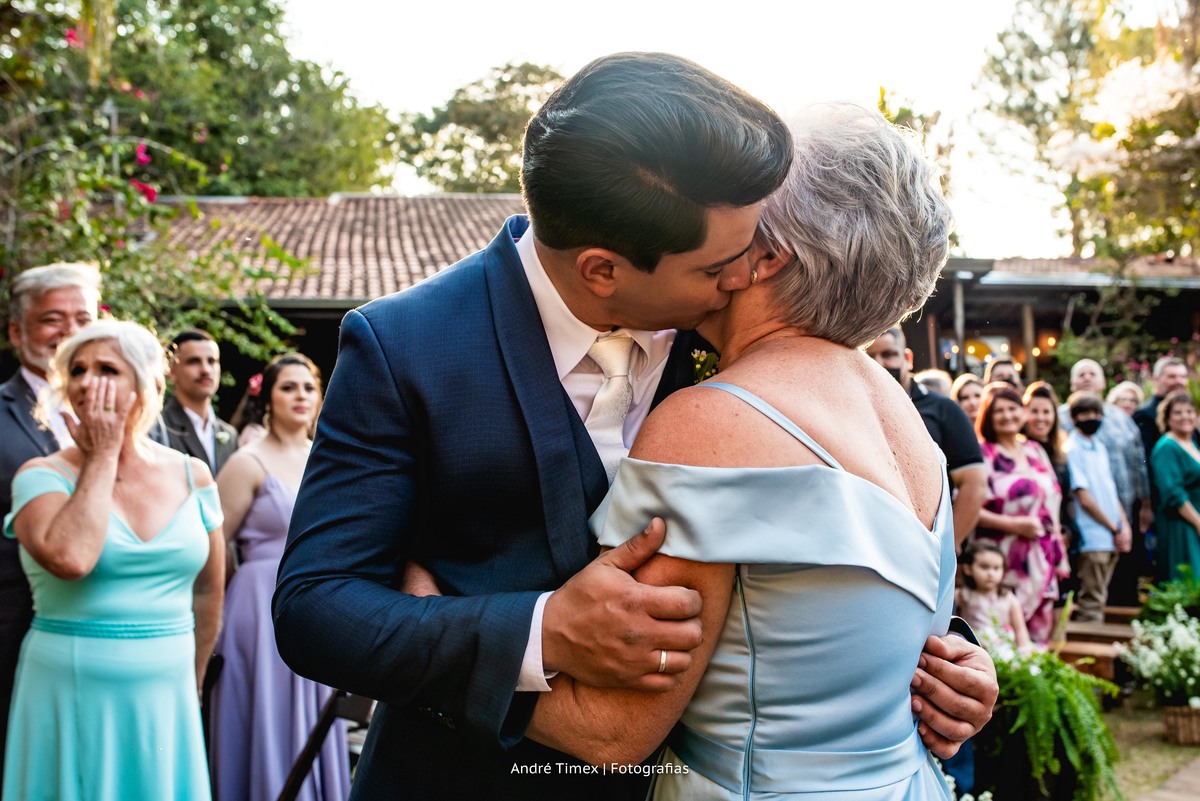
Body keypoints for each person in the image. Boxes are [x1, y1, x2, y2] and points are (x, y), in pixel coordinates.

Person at [275, 53, 996, 801]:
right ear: (603, 269)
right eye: (728, 260)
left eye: (756, 246)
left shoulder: (728, 334)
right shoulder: (406, 346)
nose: (743, 270)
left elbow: (806, 579)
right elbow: (315, 605)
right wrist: (537, 629)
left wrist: (942, 657)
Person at [523, 101, 965, 799]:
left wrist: (432, 634)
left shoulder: (709, 424)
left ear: (765, 254)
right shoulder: (904, 419)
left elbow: (610, 730)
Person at [2, 320, 223, 800]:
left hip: (167, 694)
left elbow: (207, 589)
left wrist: (193, 680)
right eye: (76, 371)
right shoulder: (38, 477)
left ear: (145, 385)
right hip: (70, 688)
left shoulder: (194, 475)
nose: (86, 382)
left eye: (106, 369)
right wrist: (101, 456)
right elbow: (71, 557)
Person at [210, 354, 348, 801]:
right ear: (267, 397)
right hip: (258, 606)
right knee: (265, 716)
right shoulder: (247, 462)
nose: (301, 396)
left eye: (308, 387)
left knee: (315, 719)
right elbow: (211, 546)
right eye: (288, 387)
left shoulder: (326, 458)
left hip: (319, 603)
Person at [0, 262, 100, 783]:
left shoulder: (134, 412)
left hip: (111, 634)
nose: (69, 331)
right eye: (52, 319)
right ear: (18, 332)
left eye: (82, 316)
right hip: (13, 631)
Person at [866, 328, 986, 549]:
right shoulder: (853, 408)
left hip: (927, 543)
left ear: (908, 358)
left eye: (889, 354)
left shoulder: (943, 409)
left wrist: (949, 547)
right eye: (869, 356)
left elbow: (973, 482)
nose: (879, 363)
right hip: (872, 543)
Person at [974, 383, 1069, 644]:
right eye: (999, 410)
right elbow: (969, 508)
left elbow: (1053, 503)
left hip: (1043, 556)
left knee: (1040, 637)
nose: (1007, 415)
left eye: (1013, 408)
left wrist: (1060, 553)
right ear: (988, 416)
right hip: (1002, 560)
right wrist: (1015, 525)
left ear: (1023, 412)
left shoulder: (1035, 450)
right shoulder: (983, 454)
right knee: (1005, 637)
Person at [1059, 358, 1151, 606]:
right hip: (1081, 513)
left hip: (1121, 508)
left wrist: (1144, 504)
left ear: (1103, 382)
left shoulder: (1121, 418)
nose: (1087, 377)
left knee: (1119, 579)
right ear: (1072, 383)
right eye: (1081, 373)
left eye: (1093, 373)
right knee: (1087, 584)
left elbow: (1137, 460)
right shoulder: (1059, 417)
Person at [1064, 393, 1131, 622]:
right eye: (1085, 413)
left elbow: (1110, 492)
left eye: (1096, 413)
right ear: (1073, 418)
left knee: (1100, 598)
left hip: (1111, 534)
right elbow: (1083, 496)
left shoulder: (1099, 447)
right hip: (1092, 536)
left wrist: (1123, 527)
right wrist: (1113, 527)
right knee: (1090, 603)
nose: (1091, 418)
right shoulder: (1072, 448)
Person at [163, 328, 238, 474]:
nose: (205, 370)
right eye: (193, 361)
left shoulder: (229, 434)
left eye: (212, 361)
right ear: (171, 371)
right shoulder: (159, 428)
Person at [1149, 390, 1200, 582]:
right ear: (1168, 417)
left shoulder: (1192, 444)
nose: (1185, 416)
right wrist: (1197, 522)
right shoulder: (1167, 447)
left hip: (1195, 520)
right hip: (1182, 522)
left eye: (1189, 411)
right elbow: (1172, 492)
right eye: (1178, 412)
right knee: (1187, 578)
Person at [956, 541, 1032, 652]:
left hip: (1004, 654)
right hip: (974, 651)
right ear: (968, 569)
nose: (991, 573)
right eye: (984, 567)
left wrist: (1024, 651)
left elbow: (1020, 630)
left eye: (996, 568)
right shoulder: (961, 595)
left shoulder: (1009, 598)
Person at [1134, 357, 1195, 462]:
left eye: (1183, 377)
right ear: (1156, 379)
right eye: (1172, 377)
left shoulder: (1190, 412)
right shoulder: (1144, 414)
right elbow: (1145, 460)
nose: (1179, 381)